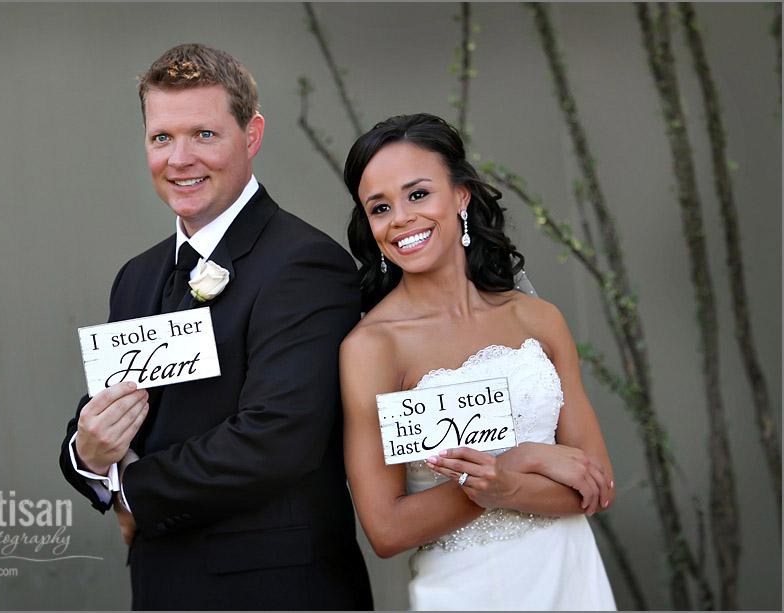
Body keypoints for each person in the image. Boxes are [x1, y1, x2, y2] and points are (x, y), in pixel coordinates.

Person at [58, 44, 373, 610]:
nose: (179, 159)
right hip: (160, 588)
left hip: (273, 591)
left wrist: (133, 491)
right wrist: (87, 451)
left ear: (250, 136)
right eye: (162, 138)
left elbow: (277, 438)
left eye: (203, 135)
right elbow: (106, 411)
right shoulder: (136, 277)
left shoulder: (304, 263)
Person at [339, 113, 617, 610]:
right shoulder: (372, 347)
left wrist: (506, 487)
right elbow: (385, 529)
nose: (400, 217)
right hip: (469, 589)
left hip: (570, 574)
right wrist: (521, 460)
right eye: (380, 207)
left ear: (462, 195)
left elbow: (594, 486)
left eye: (418, 194)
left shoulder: (539, 319)